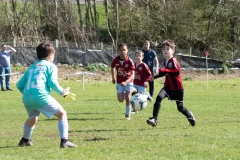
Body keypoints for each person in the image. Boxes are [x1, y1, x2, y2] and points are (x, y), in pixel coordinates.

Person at [16, 42, 77, 148]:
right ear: (50, 55)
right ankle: (64, 141)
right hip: (41, 96)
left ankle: (25, 140)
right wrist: (62, 92)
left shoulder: (32, 67)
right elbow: (52, 83)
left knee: (33, 117)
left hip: (27, 98)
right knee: (62, 114)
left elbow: (19, 85)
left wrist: (29, 94)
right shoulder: (51, 66)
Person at [146, 39, 196, 127]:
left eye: (167, 49)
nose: (165, 51)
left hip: (177, 88)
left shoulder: (174, 61)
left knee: (180, 108)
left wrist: (163, 70)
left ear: (173, 51)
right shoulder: (165, 62)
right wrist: (153, 77)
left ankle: (190, 116)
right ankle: (154, 119)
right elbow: (165, 72)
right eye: (163, 49)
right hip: (168, 87)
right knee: (159, 98)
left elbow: (176, 71)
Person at [111, 43, 136, 120]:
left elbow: (133, 74)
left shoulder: (130, 61)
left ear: (127, 50)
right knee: (121, 100)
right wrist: (113, 77)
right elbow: (112, 67)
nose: (123, 52)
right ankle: (133, 90)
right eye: (121, 50)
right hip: (119, 82)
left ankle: (127, 115)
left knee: (128, 98)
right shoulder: (115, 60)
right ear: (118, 51)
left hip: (128, 81)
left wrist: (126, 82)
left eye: (124, 50)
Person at [131, 50, 153, 114]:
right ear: (135, 56)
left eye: (139, 56)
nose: (138, 57)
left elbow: (149, 74)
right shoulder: (133, 65)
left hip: (141, 84)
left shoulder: (144, 65)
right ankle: (135, 110)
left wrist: (146, 81)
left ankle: (147, 95)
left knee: (141, 97)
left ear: (142, 57)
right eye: (137, 56)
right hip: (134, 83)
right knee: (134, 96)